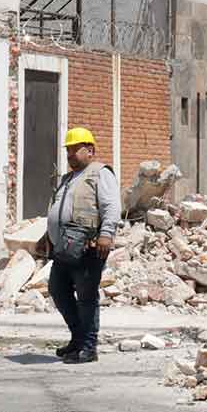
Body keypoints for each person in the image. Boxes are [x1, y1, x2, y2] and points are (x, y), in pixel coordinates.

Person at [46, 127, 120, 363]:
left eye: (74, 149)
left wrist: (107, 234)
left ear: (90, 150)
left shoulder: (100, 173)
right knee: (58, 290)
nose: (70, 155)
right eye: (68, 150)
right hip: (64, 248)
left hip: (89, 247)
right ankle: (77, 338)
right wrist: (46, 236)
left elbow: (111, 206)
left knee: (86, 297)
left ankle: (88, 347)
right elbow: (59, 211)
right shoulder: (68, 179)